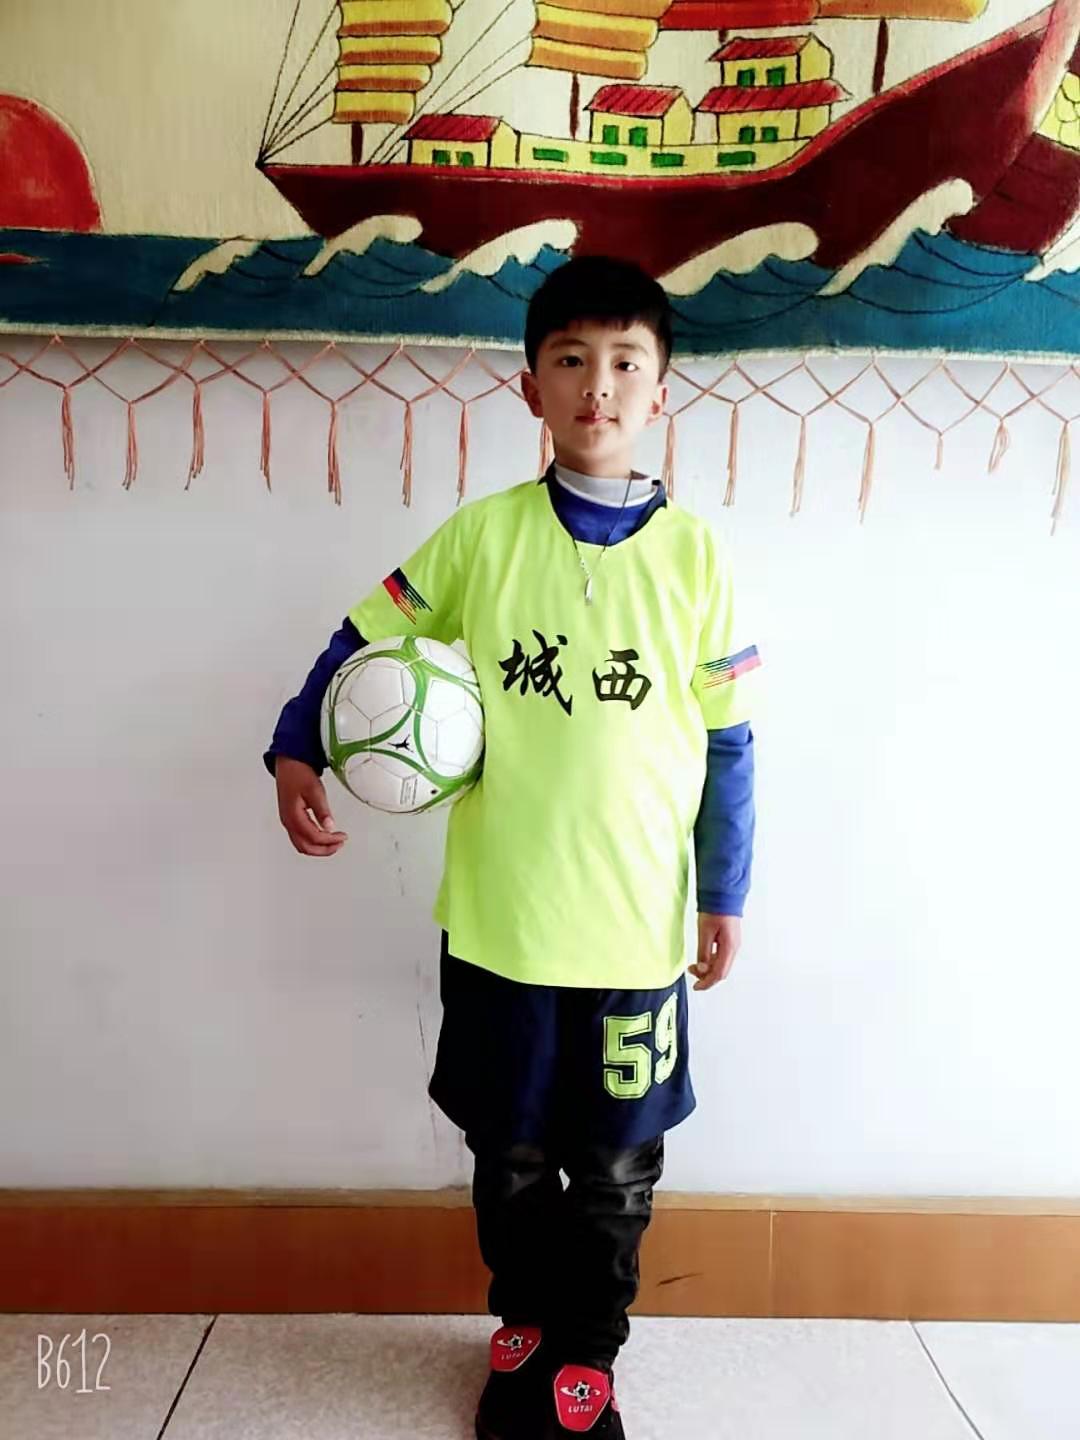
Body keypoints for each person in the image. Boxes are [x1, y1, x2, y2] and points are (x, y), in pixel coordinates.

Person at [265, 255, 760, 1440]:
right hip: (501, 928)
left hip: (635, 937)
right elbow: (358, 638)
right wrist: (296, 746)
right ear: (531, 387)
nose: (599, 384)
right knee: (511, 1149)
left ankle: (591, 1350)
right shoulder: (480, 539)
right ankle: (525, 1323)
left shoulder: (697, 559)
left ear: (661, 392)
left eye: (626, 362)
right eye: (571, 359)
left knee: (619, 1165)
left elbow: (731, 744)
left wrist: (724, 892)